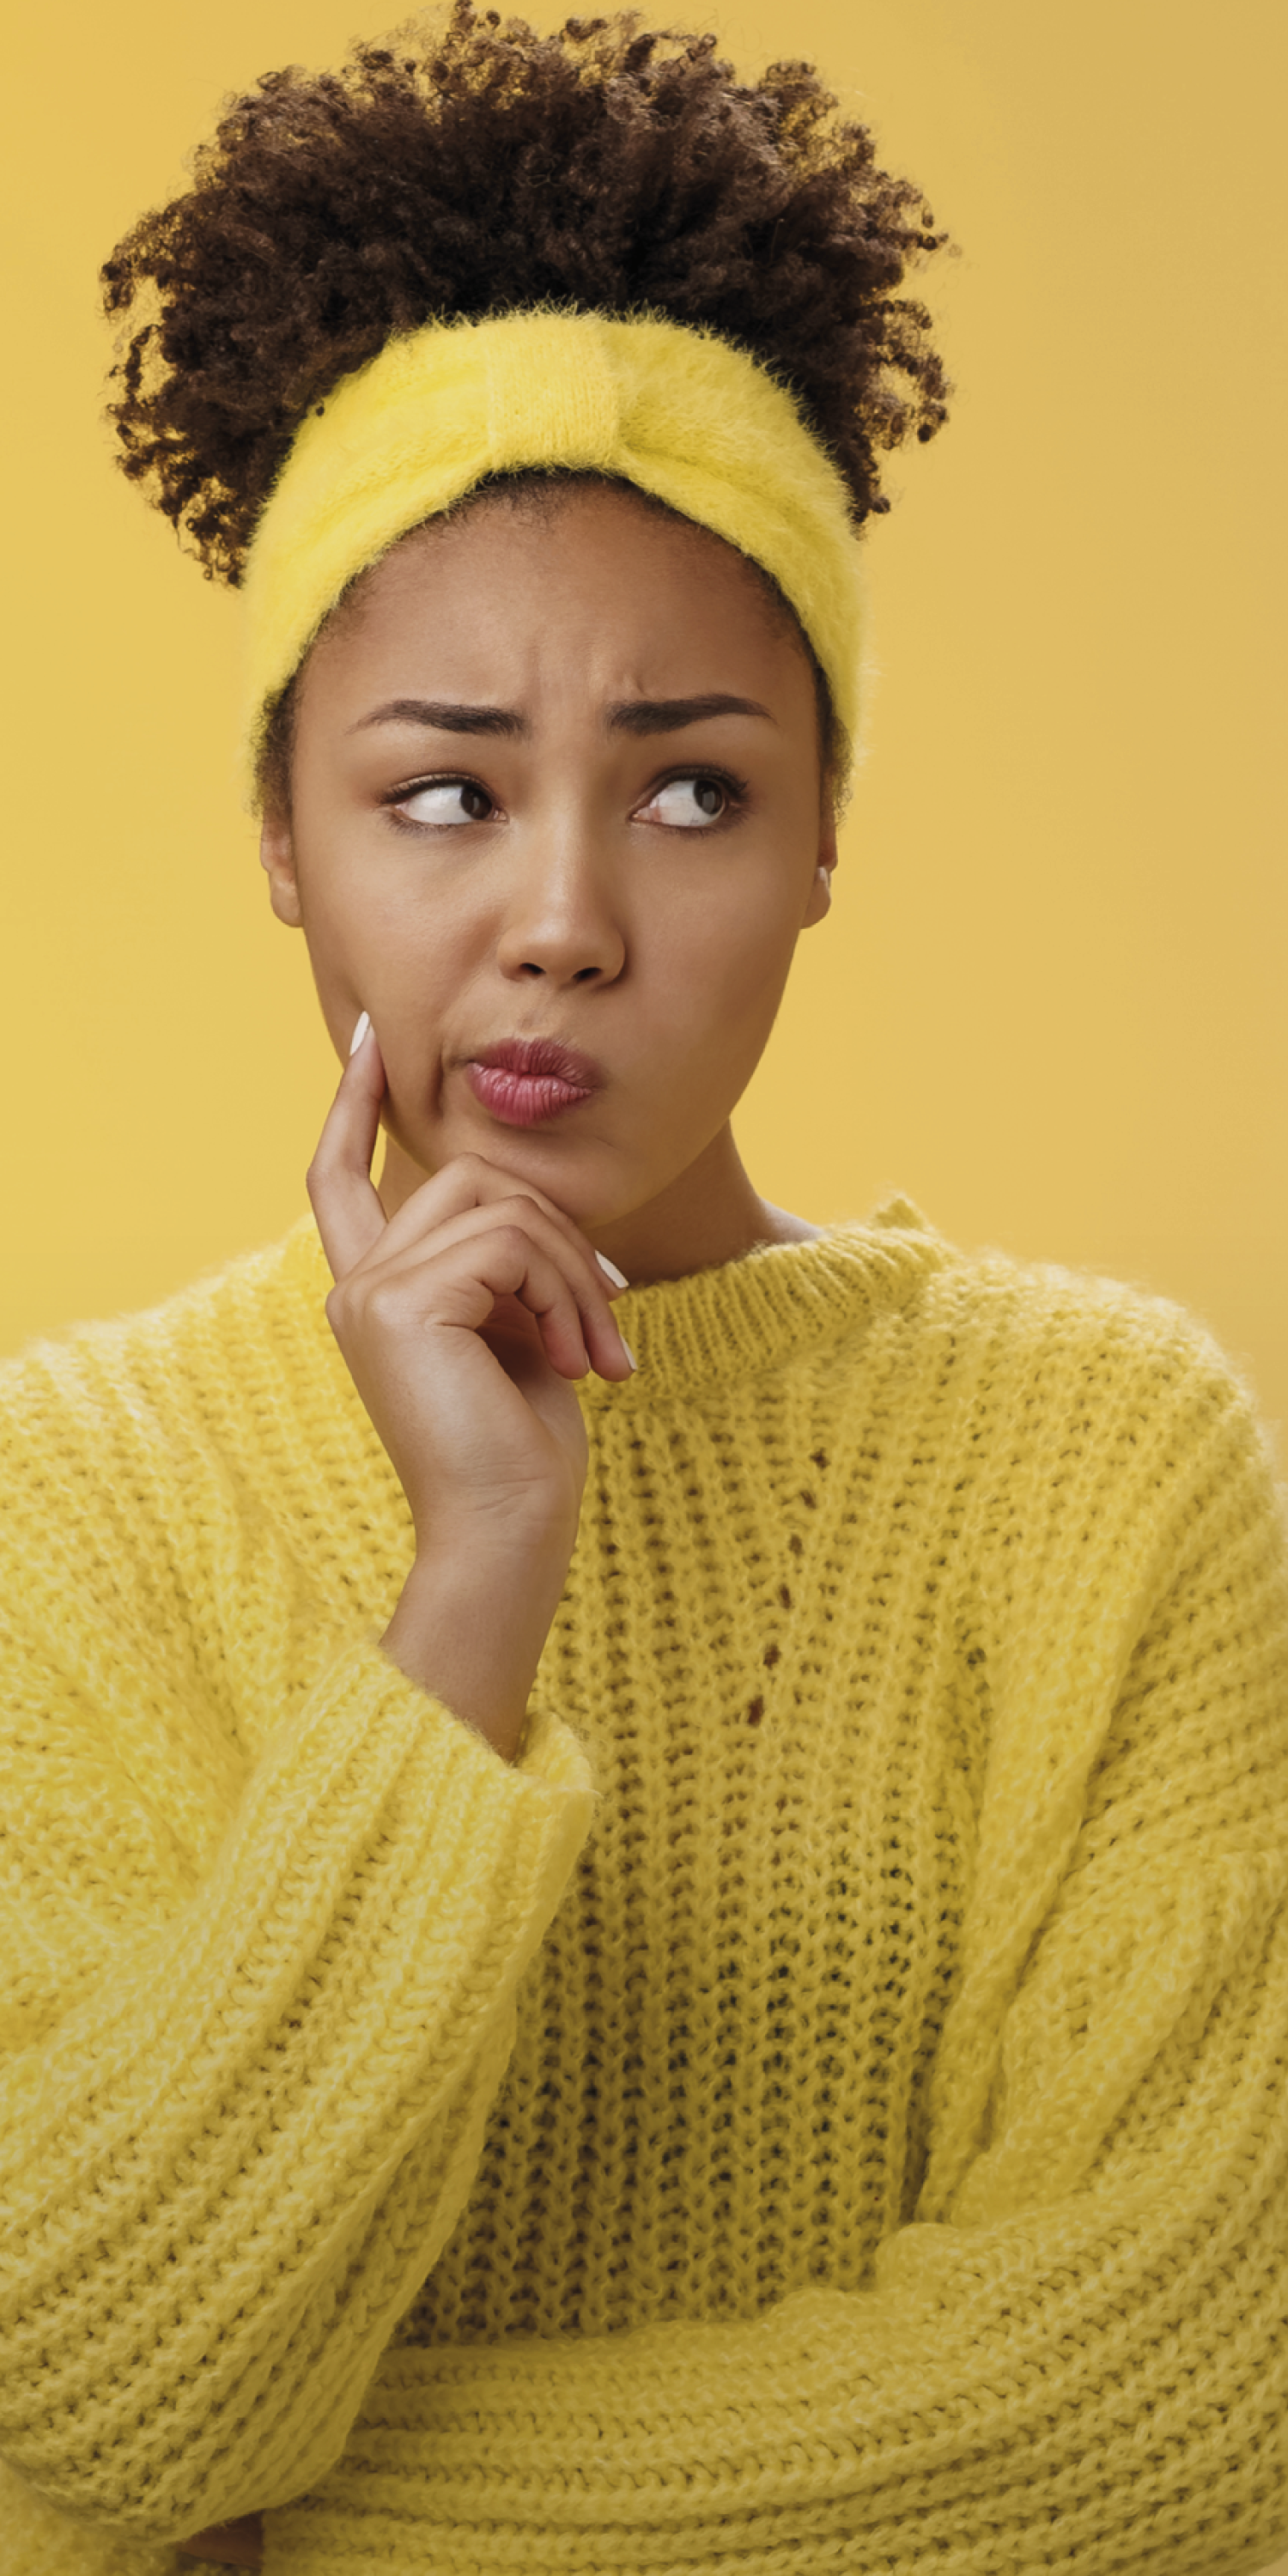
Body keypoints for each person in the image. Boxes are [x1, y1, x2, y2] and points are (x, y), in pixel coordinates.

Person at [2, 9, 1285, 2572]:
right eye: (440, 791)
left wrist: (287, 2536)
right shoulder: (81, 1490)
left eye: (694, 787)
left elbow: (1168, 2401)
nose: (563, 920)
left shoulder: (1116, 1458)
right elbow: (106, 2381)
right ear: (283, 837)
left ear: (823, 838)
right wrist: (474, 1577)